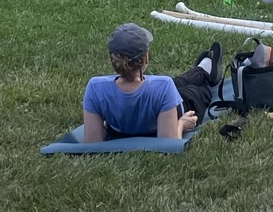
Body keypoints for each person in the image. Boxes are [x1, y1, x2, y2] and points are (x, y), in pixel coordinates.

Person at [80, 23, 218, 142]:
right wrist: (181, 123)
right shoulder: (163, 86)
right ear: (145, 58)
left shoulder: (95, 87)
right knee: (201, 90)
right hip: (178, 106)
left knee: (177, 83)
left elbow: (92, 143)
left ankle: (201, 70)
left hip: (160, 97)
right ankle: (205, 72)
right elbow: (168, 144)